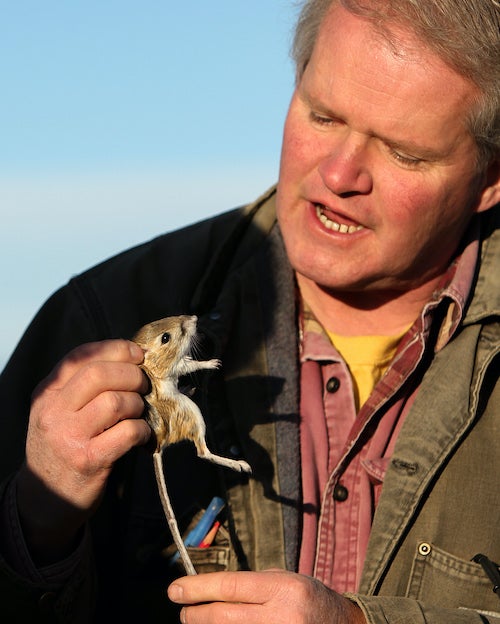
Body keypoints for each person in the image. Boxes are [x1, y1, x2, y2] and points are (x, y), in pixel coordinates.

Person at [0, 0, 499, 622]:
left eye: (403, 152)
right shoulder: (104, 313)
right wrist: (34, 524)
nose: (340, 173)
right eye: (322, 115)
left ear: (491, 177)